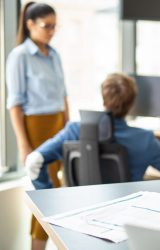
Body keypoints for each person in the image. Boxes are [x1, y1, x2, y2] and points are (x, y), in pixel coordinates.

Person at [25, 73, 160, 185]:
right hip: (124, 220)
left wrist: (49, 199)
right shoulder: (144, 139)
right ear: (131, 104)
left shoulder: (75, 130)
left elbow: (33, 161)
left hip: (78, 218)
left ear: (103, 99)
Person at [5, 2, 68, 249]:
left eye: (54, 26)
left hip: (59, 126)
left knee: (55, 192)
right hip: (36, 127)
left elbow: (64, 97)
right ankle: (37, 247)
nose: (52, 31)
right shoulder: (19, 56)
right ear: (30, 24)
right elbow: (15, 104)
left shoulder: (54, 55)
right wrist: (23, 144)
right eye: (47, 26)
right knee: (47, 194)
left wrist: (67, 128)